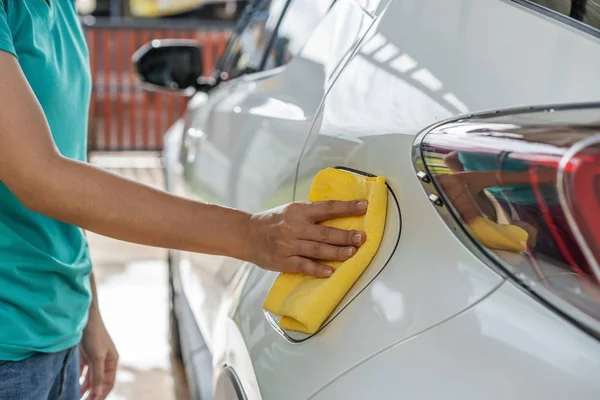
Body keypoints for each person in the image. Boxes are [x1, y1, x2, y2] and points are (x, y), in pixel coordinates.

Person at [0, 2, 367, 399]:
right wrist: (250, 235)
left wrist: (85, 311)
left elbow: (68, 176)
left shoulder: (60, 7)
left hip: (55, 331)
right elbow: (38, 177)